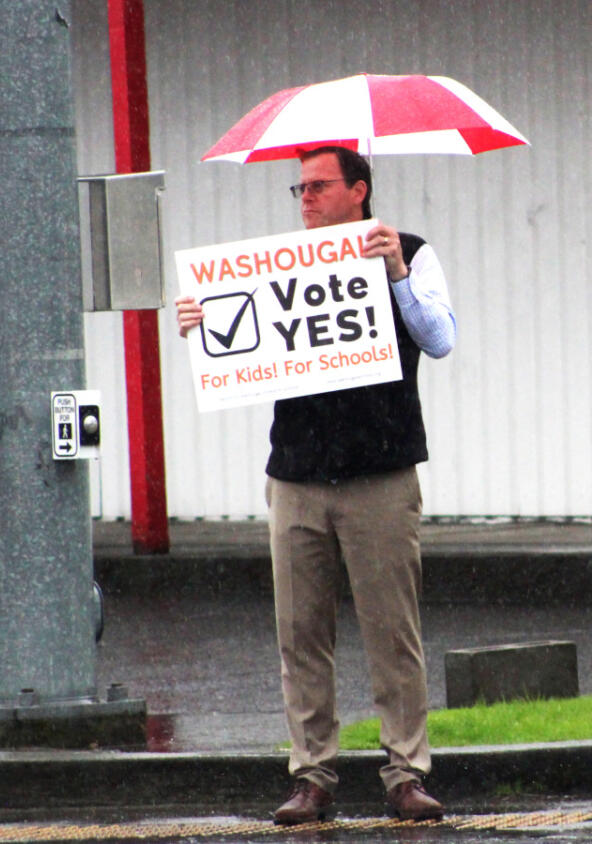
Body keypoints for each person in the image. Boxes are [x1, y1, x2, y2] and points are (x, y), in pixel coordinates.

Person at [176, 146, 455, 824]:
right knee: (301, 633)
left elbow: (439, 337)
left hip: (381, 473)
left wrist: (393, 274)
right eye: (298, 188)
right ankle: (311, 778)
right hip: (297, 474)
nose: (305, 198)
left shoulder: (410, 252)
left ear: (358, 190)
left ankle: (405, 774)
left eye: (319, 186)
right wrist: (202, 326)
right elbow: (243, 352)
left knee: (393, 632)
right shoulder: (277, 266)